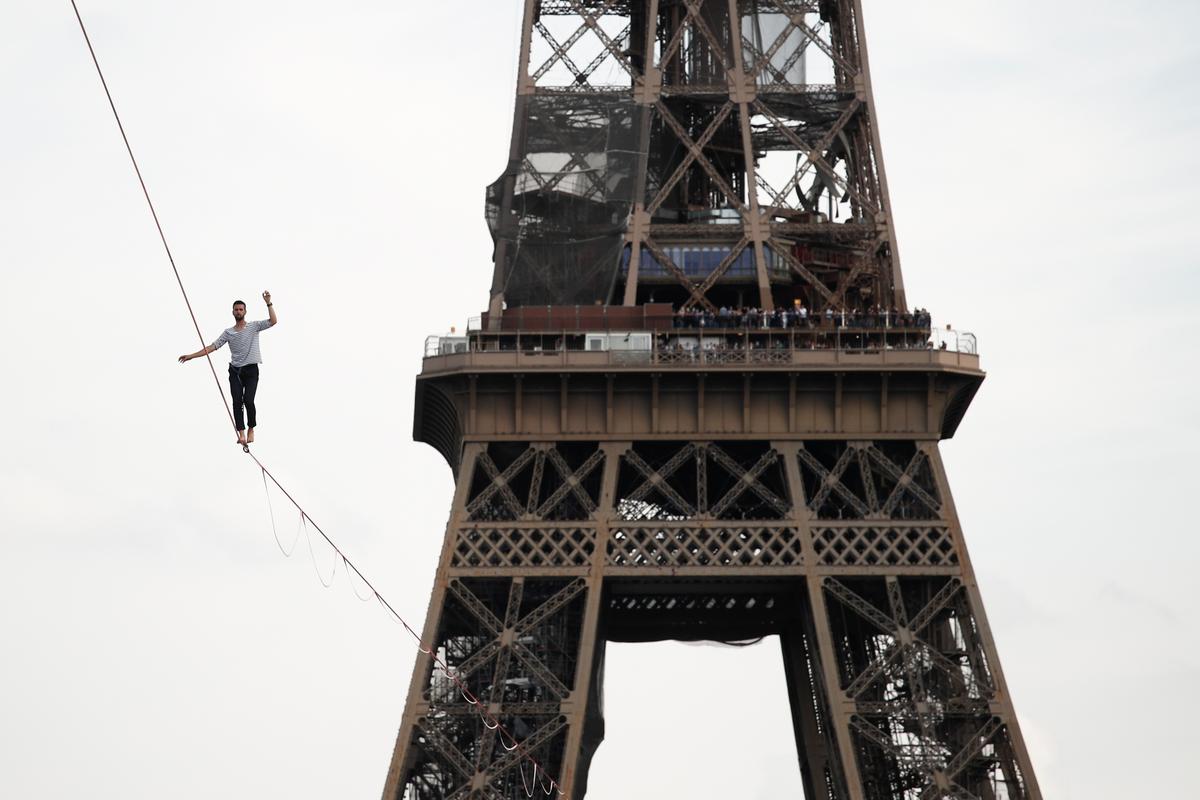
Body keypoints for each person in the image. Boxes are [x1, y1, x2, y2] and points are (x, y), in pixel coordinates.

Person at [179, 291, 277, 446]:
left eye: (241, 309)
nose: (238, 312)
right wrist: (191, 356)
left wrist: (268, 302)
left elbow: (273, 321)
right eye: (236, 309)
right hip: (236, 372)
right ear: (233, 312)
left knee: (249, 400)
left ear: (245, 312)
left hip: (251, 370)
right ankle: (242, 434)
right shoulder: (228, 333)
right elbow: (212, 347)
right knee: (237, 401)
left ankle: (251, 429)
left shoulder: (254, 326)